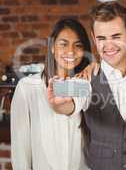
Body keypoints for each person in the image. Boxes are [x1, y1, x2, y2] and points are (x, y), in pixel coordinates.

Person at [48, 2, 126, 170]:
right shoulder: (85, 80)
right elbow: (68, 103)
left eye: (116, 37)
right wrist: (58, 104)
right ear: (94, 38)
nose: (109, 46)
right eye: (101, 38)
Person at [11, 18, 91, 170]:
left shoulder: (84, 86)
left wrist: (95, 66)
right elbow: (20, 148)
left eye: (78, 45)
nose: (71, 51)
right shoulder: (27, 88)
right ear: (52, 47)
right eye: (63, 43)